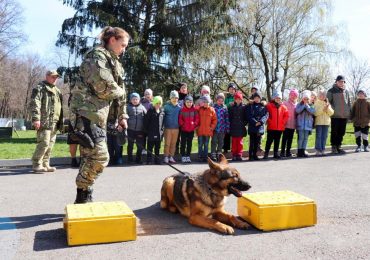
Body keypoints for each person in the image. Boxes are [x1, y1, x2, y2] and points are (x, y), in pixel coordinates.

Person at [70, 26, 129, 203]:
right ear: (112, 40)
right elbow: (104, 87)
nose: (124, 49)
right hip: (87, 113)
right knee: (100, 156)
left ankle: (83, 195)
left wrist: (121, 117)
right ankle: (82, 187)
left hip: (98, 116)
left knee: (89, 156)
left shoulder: (114, 62)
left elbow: (120, 91)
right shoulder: (97, 56)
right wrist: (121, 93)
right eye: (123, 45)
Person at [30, 70, 64, 173]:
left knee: (50, 145)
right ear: (47, 76)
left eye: (56, 77)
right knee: (44, 143)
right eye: (53, 77)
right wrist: (36, 118)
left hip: (54, 122)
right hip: (44, 121)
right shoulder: (40, 88)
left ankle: (45, 164)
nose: (55, 79)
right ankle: (36, 164)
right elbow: (35, 103)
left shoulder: (57, 90)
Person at [327, 75, 351, 154]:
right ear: (336, 82)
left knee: (342, 132)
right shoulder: (331, 91)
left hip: (344, 116)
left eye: (343, 81)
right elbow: (327, 102)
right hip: (335, 115)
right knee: (335, 132)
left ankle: (338, 146)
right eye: (340, 81)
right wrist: (332, 110)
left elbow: (349, 103)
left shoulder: (346, 91)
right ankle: (333, 147)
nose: (341, 83)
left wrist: (349, 113)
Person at [263, 90, 289, 160]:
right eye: (276, 98)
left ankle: (276, 154)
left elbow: (286, 115)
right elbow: (266, 114)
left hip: (280, 128)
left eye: (279, 98)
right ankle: (266, 153)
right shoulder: (269, 106)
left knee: (277, 141)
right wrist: (269, 121)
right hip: (271, 127)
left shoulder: (283, 107)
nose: (278, 99)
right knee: (269, 141)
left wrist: (283, 122)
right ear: (274, 98)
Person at [246, 91, 268, 161]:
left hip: (259, 127)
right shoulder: (250, 106)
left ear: (260, 98)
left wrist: (261, 122)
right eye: (255, 98)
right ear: (253, 98)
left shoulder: (263, 106)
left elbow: (266, 115)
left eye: (258, 98)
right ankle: (250, 156)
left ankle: (255, 155)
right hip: (252, 126)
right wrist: (255, 122)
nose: (257, 99)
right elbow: (248, 115)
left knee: (257, 143)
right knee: (251, 142)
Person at [127, 92, 147, 164]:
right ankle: (130, 159)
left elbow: (146, 117)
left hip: (140, 130)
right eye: (133, 99)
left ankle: (138, 159)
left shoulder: (142, 107)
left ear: (139, 100)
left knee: (140, 146)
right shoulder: (128, 107)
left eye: (136, 99)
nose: (135, 100)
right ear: (130, 100)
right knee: (130, 145)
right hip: (130, 130)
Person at [178, 95, 199, 163]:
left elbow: (197, 118)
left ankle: (188, 156)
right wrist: (182, 124)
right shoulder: (182, 110)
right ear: (185, 102)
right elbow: (180, 119)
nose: (189, 104)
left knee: (189, 143)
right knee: (183, 143)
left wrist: (194, 124)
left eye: (190, 102)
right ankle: (183, 156)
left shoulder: (194, 110)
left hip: (191, 130)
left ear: (192, 102)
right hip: (184, 130)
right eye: (187, 102)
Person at [144, 96, 165, 164]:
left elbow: (163, 123)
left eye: (159, 103)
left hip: (159, 133)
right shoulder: (150, 111)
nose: (158, 105)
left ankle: (157, 160)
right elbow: (146, 122)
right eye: (157, 103)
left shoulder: (162, 112)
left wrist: (162, 131)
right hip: (151, 133)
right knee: (150, 147)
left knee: (157, 148)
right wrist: (147, 132)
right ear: (154, 103)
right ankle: (149, 160)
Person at [197, 95, 217, 162]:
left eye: (207, 102)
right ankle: (200, 156)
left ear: (209, 102)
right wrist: (197, 126)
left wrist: (211, 127)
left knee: (206, 144)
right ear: (202, 102)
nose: (206, 103)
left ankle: (205, 156)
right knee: (200, 144)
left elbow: (214, 120)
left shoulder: (212, 110)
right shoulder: (199, 109)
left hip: (208, 131)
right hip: (200, 131)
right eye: (204, 102)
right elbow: (197, 118)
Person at [314, 89, 334, 156]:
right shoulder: (316, 103)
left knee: (324, 136)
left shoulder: (327, 103)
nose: (322, 96)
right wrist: (323, 109)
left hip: (326, 123)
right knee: (318, 136)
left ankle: (323, 150)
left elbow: (331, 113)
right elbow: (315, 113)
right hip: (319, 123)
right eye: (320, 94)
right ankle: (318, 150)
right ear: (318, 95)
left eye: (323, 95)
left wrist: (327, 108)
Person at [163, 90, 181, 163]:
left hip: (176, 128)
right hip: (167, 128)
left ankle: (171, 156)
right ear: (170, 98)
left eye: (176, 98)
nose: (175, 99)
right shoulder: (166, 107)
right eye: (173, 97)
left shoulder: (179, 108)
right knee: (167, 143)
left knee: (173, 143)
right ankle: (166, 156)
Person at [296, 90, 315, 157]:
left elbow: (312, 111)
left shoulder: (311, 105)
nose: (306, 100)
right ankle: (299, 151)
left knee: (305, 138)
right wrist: (303, 106)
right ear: (302, 99)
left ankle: (303, 150)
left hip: (308, 125)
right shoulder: (299, 104)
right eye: (304, 99)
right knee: (301, 138)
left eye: (307, 99)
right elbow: (297, 111)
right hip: (300, 125)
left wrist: (307, 106)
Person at [229, 91, 247, 161]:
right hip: (233, 127)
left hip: (241, 127)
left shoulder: (244, 107)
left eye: (239, 99)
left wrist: (244, 123)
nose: (238, 100)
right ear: (235, 100)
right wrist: (231, 124)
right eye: (236, 99)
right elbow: (230, 117)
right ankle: (234, 154)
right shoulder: (232, 107)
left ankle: (239, 154)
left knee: (240, 142)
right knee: (234, 142)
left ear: (241, 99)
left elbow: (246, 117)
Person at [211, 93, 230, 161]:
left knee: (221, 141)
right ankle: (213, 153)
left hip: (222, 128)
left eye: (222, 101)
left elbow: (227, 118)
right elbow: (211, 117)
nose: (220, 102)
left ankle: (219, 153)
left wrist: (227, 127)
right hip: (215, 128)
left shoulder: (224, 108)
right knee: (214, 141)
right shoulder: (213, 107)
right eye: (219, 100)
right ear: (216, 100)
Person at [280, 89, 298, 157]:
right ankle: (282, 152)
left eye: (295, 96)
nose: (293, 97)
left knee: (290, 139)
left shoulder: (297, 104)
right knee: (284, 138)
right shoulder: (285, 103)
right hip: (286, 125)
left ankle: (288, 151)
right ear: (289, 96)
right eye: (292, 95)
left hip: (293, 125)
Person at [223, 82, 236, 153]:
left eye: (233, 89)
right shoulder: (226, 97)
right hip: (227, 116)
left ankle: (233, 148)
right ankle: (225, 148)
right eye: (230, 89)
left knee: (233, 134)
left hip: (234, 117)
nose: (231, 90)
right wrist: (228, 104)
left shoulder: (236, 96)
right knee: (226, 133)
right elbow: (223, 105)